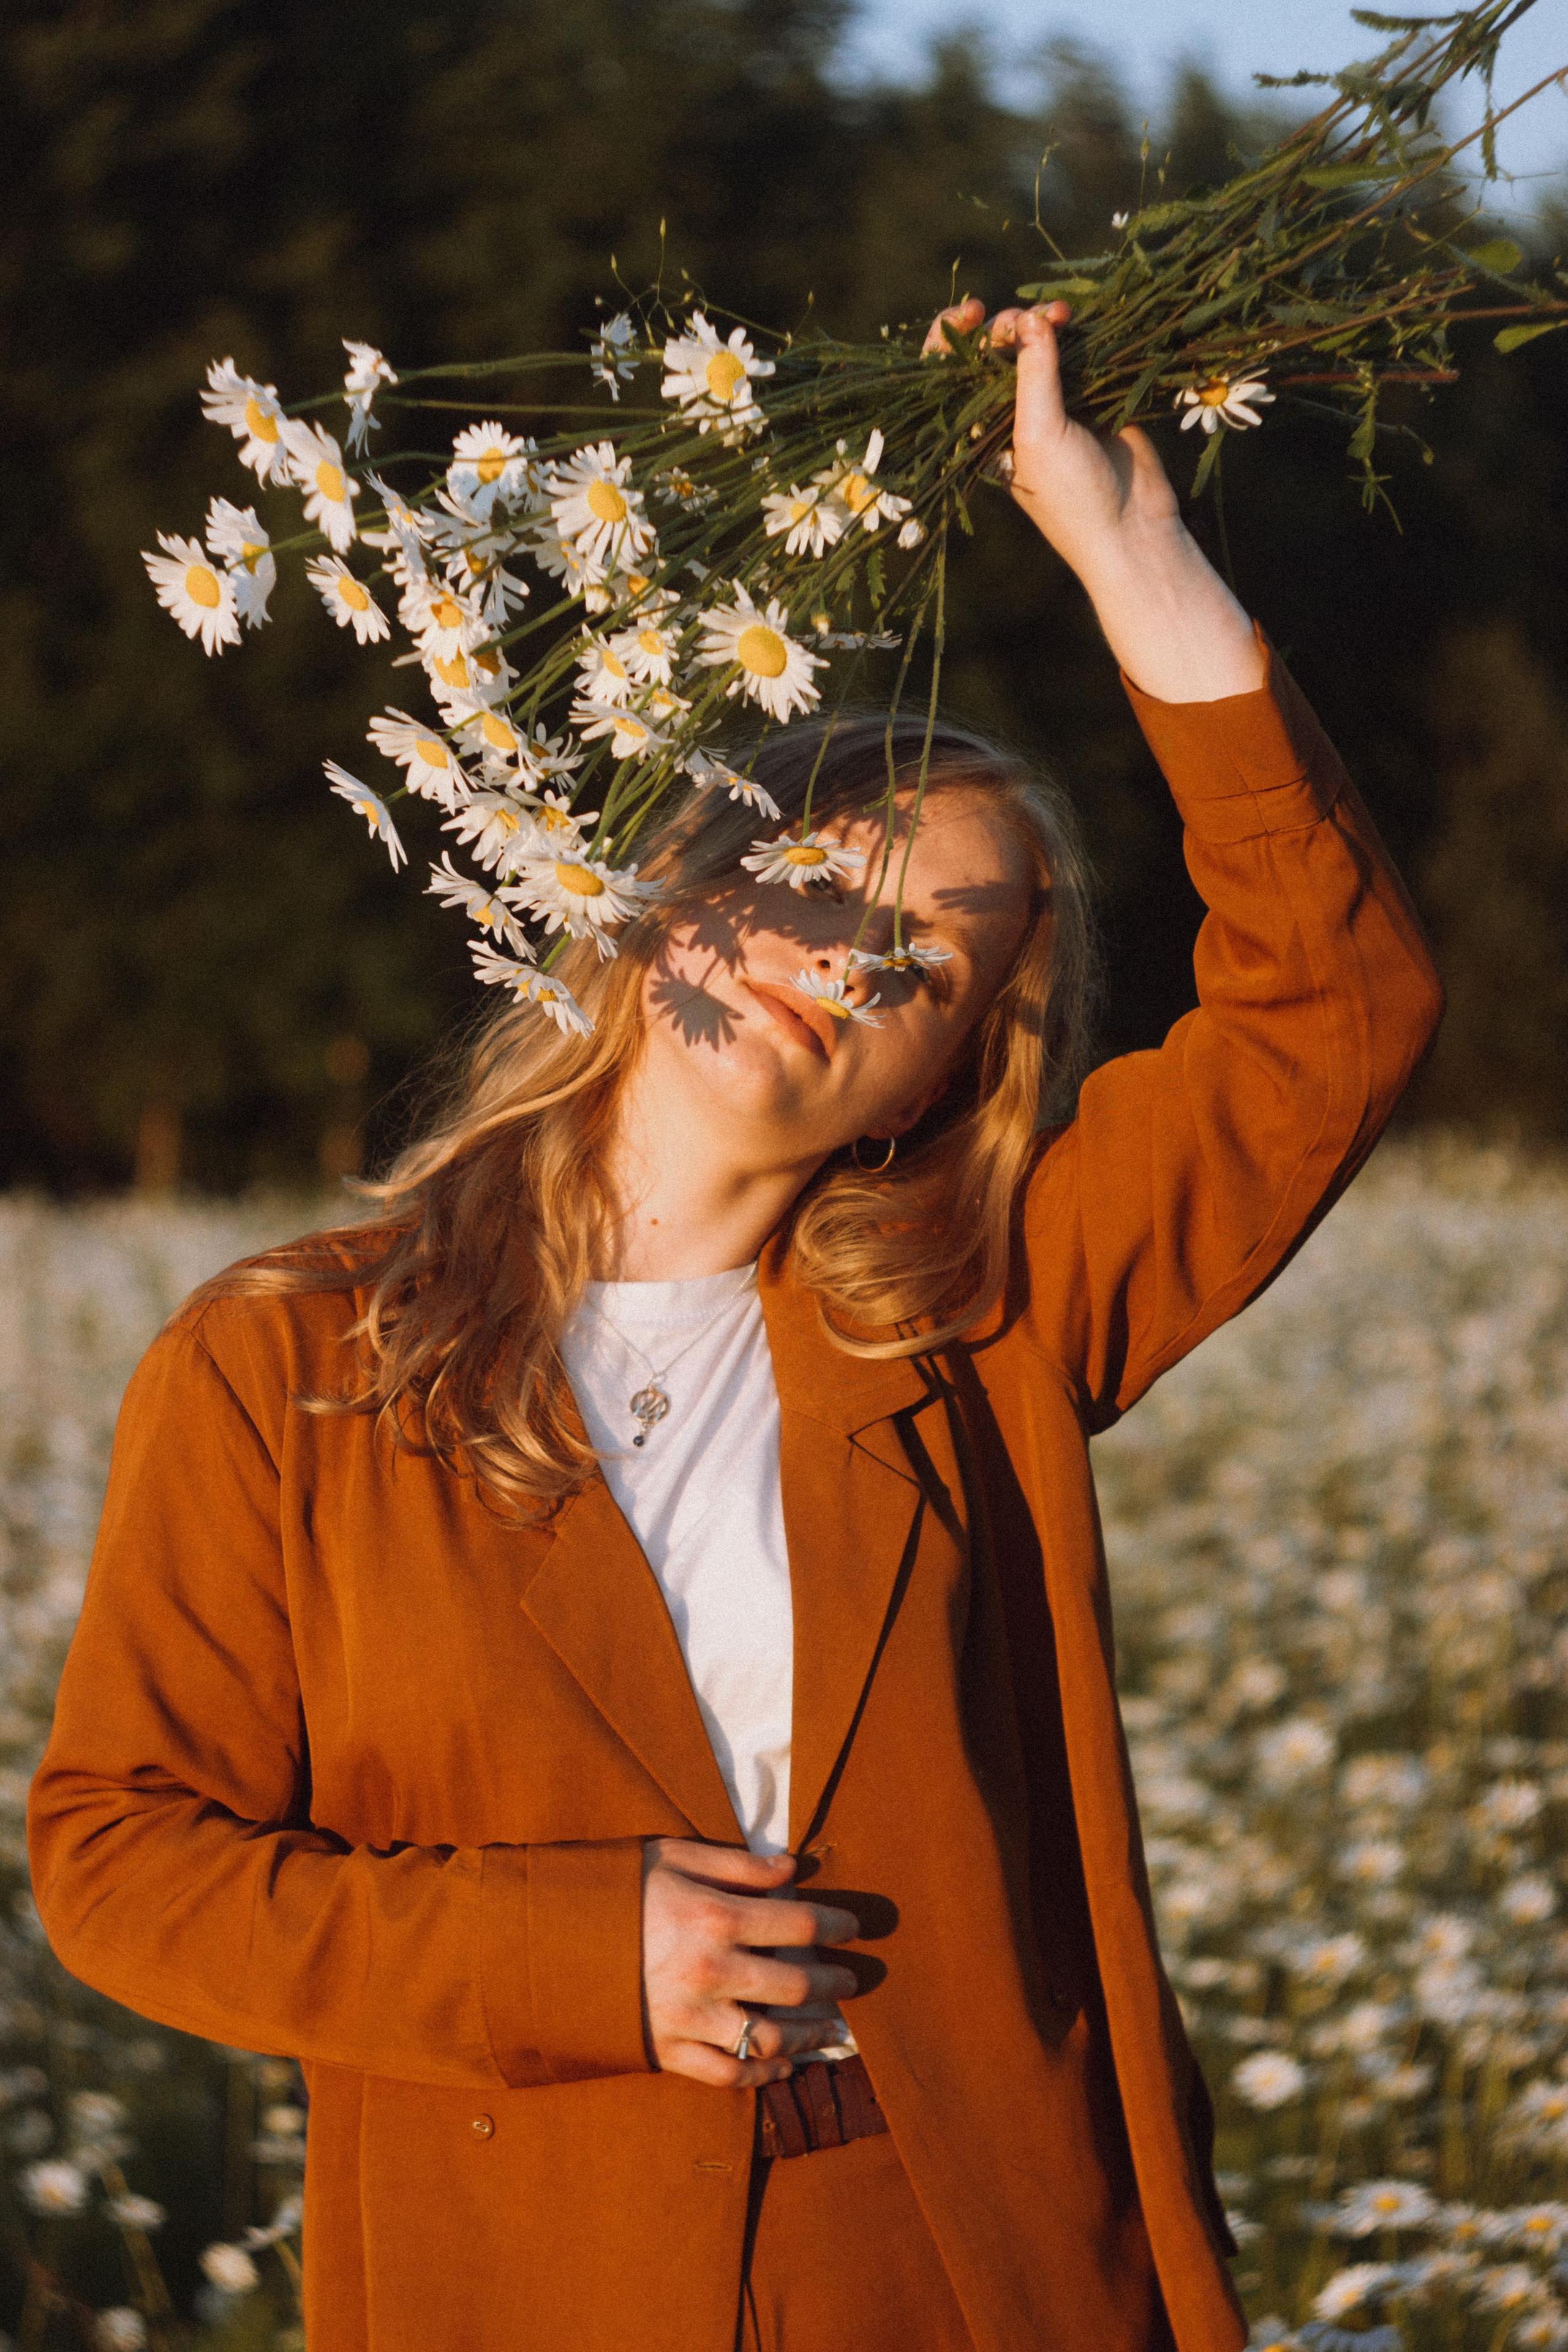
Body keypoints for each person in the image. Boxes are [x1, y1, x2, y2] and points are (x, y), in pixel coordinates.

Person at [27, 298, 1442, 2352]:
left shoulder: (988, 1318)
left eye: (935, 974)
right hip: (526, 2271)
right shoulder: (283, 1358)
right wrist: (576, 1954)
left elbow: (1337, 1010)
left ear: (948, 1083)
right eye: (820, 881)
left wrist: (1133, 547)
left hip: (970, 2263)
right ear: (670, 894)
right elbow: (122, 1861)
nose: (849, 968)